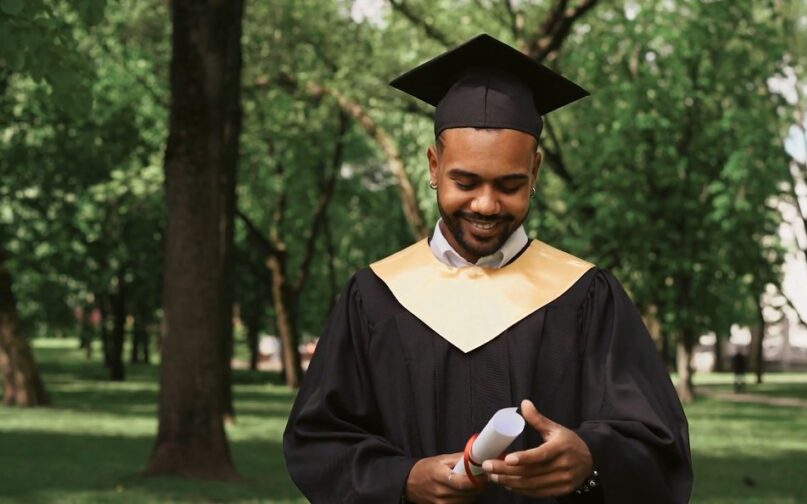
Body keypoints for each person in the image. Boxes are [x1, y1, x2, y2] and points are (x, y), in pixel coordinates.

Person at [283, 34, 693, 503]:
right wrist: (402, 479)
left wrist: (590, 458)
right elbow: (317, 440)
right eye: (465, 180)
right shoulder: (375, 295)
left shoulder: (584, 295)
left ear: (535, 172)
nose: (485, 204)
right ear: (434, 166)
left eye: (510, 184)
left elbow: (657, 442)